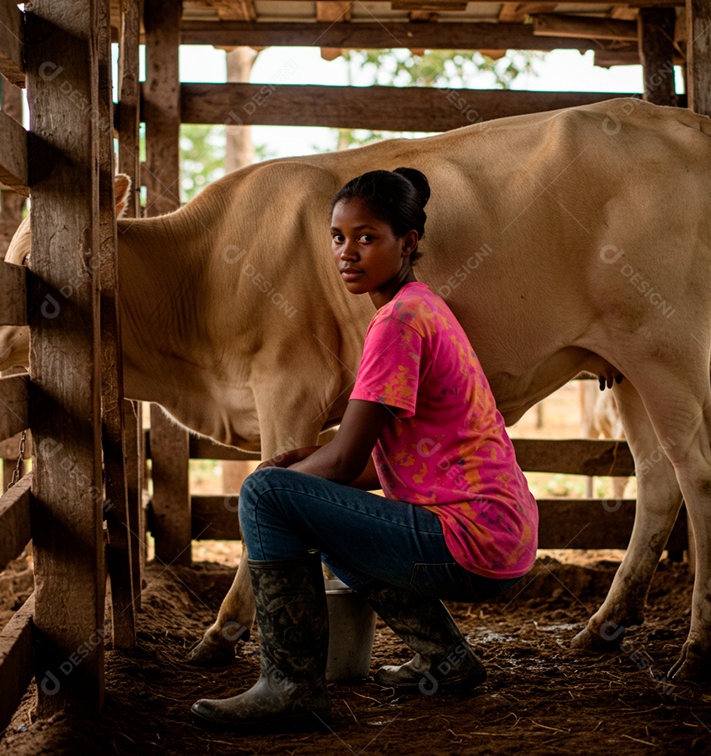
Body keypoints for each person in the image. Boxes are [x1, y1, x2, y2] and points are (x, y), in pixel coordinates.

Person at [190, 168, 540, 731]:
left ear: (408, 242)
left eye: (366, 237)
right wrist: (303, 471)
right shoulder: (423, 306)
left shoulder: (397, 323)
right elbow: (376, 466)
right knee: (301, 504)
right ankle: (444, 660)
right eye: (337, 237)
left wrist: (289, 478)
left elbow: (345, 461)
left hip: (469, 539)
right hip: (502, 535)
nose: (347, 253)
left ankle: (290, 686)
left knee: (262, 493)